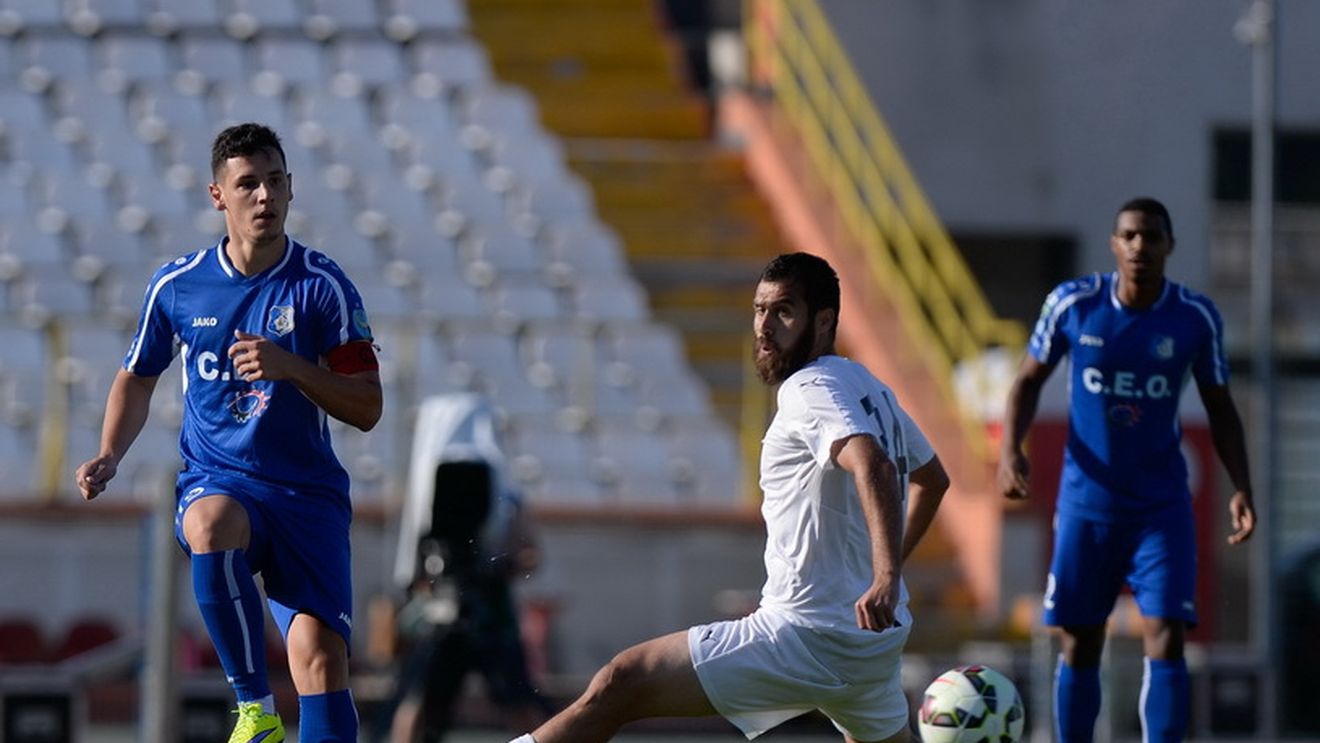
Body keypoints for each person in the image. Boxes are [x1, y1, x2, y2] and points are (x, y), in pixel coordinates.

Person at [505, 252, 950, 743]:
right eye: (759, 309)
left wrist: (885, 574)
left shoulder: (810, 387)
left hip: (801, 637)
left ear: (824, 321)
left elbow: (875, 464)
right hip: (870, 649)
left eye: (783, 311)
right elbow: (932, 480)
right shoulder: (870, 388)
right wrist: (882, 577)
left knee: (621, 680)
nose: (764, 326)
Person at [75, 122, 383, 743]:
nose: (264, 196)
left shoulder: (322, 287)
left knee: (322, 660)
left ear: (292, 189)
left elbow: (368, 405)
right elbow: (137, 376)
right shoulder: (178, 286)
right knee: (211, 524)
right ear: (219, 196)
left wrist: (290, 366)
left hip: (304, 495)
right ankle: (255, 710)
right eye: (249, 184)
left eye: (274, 182)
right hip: (220, 478)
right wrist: (109, 453)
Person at [997, 197, 1257, 743]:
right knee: (1080, 638)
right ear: (1115, 243)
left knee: (1166, 632)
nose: (1141, 246)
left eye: (1152, 237)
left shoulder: (1194, 318)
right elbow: (1026, 381)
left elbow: (1221, 407)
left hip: (1160, 509)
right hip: (1086, 504)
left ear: (1169, 246)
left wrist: (1242, 486)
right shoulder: (1073, 305)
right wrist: (1010, 452)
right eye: (1131, 236)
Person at [384, 393, 552, 741]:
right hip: (441, 610)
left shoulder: (505, 494)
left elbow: (530, 552)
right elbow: (415, 557)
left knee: (519, 702)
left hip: (490, 607)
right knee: (418, 700)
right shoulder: (424, 494)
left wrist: (502, 563)